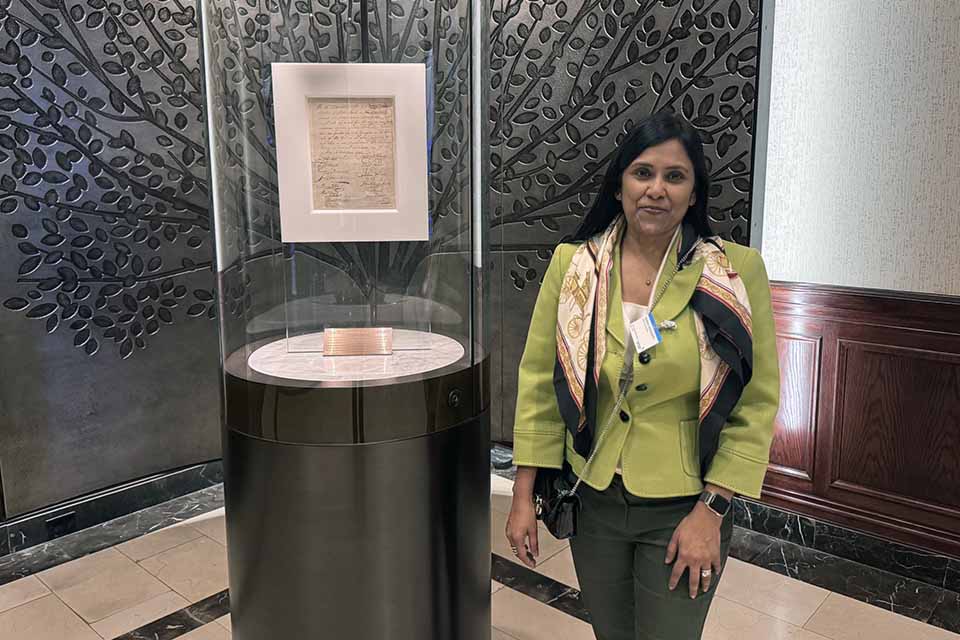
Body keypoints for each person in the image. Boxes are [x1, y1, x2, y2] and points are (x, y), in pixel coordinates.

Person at [505, 111, 781, 640]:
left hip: (685, 507)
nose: (656, 189)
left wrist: (713, 511)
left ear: (695, 192)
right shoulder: (574, 265)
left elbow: (757, 401)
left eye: (674, 177)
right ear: (620, 185)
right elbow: (540, 382)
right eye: (642, 173)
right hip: (594, 498)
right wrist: (523, 493)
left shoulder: (735, 273)